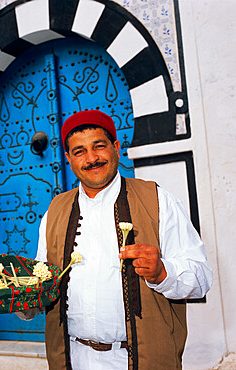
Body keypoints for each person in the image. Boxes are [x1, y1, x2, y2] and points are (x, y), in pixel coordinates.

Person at [27, 110, 212, 370]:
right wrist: (20, 298)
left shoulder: (158, 201)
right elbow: (41, 282)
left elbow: (201, 278)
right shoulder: (55, 211)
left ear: (115, 147)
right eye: (79, 151)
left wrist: (163, 273)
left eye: (99, 147)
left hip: (136, 361)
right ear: (68, 159)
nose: (91, 159)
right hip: (72, 358)